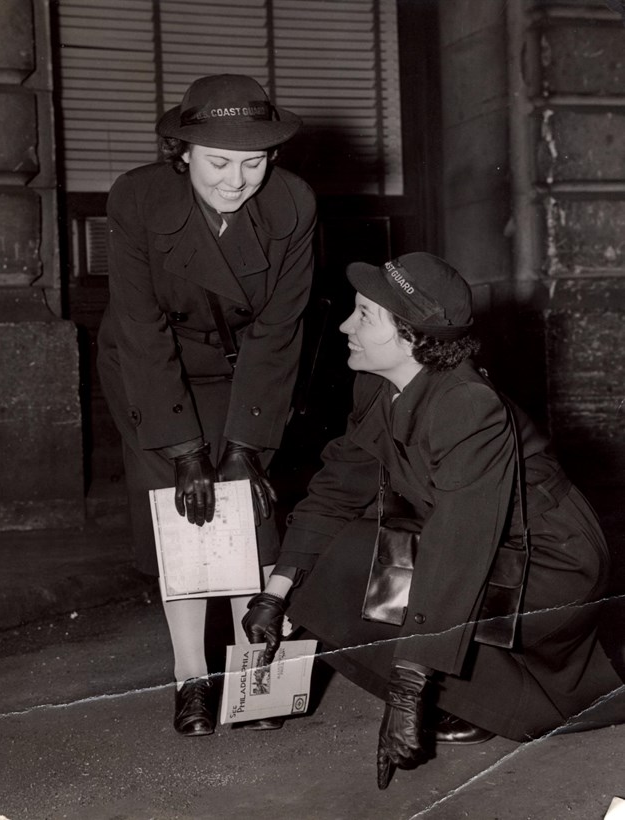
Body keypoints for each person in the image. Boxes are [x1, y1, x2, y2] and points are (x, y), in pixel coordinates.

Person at [242, 252, 621, 787]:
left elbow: (458, 547)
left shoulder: (468, 405)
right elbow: (335, 491)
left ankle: (480, 702)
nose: (346, 325)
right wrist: (275, 592)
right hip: (481, 545)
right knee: (342, 556)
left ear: (412, 336)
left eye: (364, 316)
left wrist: (408, 686)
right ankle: (466, 691)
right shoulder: (377, 385)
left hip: (550, 562)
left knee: (369, 565)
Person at [97, 74, 316, 737]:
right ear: (182, 152)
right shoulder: (137, 199)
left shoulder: (294, 205)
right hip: (151, 363)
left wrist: (245, 448)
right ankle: (191, 676)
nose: (235, 179)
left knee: (249, 511)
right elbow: (140, 328)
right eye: (219, 161)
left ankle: (259, 680)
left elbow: (280, 333)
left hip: (242, 366)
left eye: (254, 162)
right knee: (183, 512)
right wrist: (186, 449)